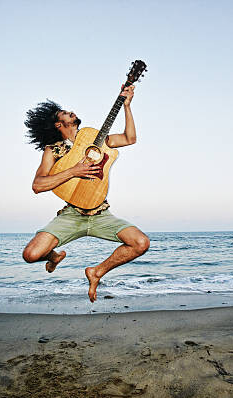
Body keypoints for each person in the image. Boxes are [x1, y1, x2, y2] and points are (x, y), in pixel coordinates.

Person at [21, 85, 149, 303]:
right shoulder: (54, 150)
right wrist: (73, 171)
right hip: (72, 214)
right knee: (30, 255)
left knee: (141, 243)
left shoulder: (93, 137)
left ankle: (97, 272)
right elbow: (38, 185)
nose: (70, 110)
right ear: (58, 124)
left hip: (100, 213)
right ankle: (54, 256)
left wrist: (127, 106)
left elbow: (129, 138)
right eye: (63, 112)